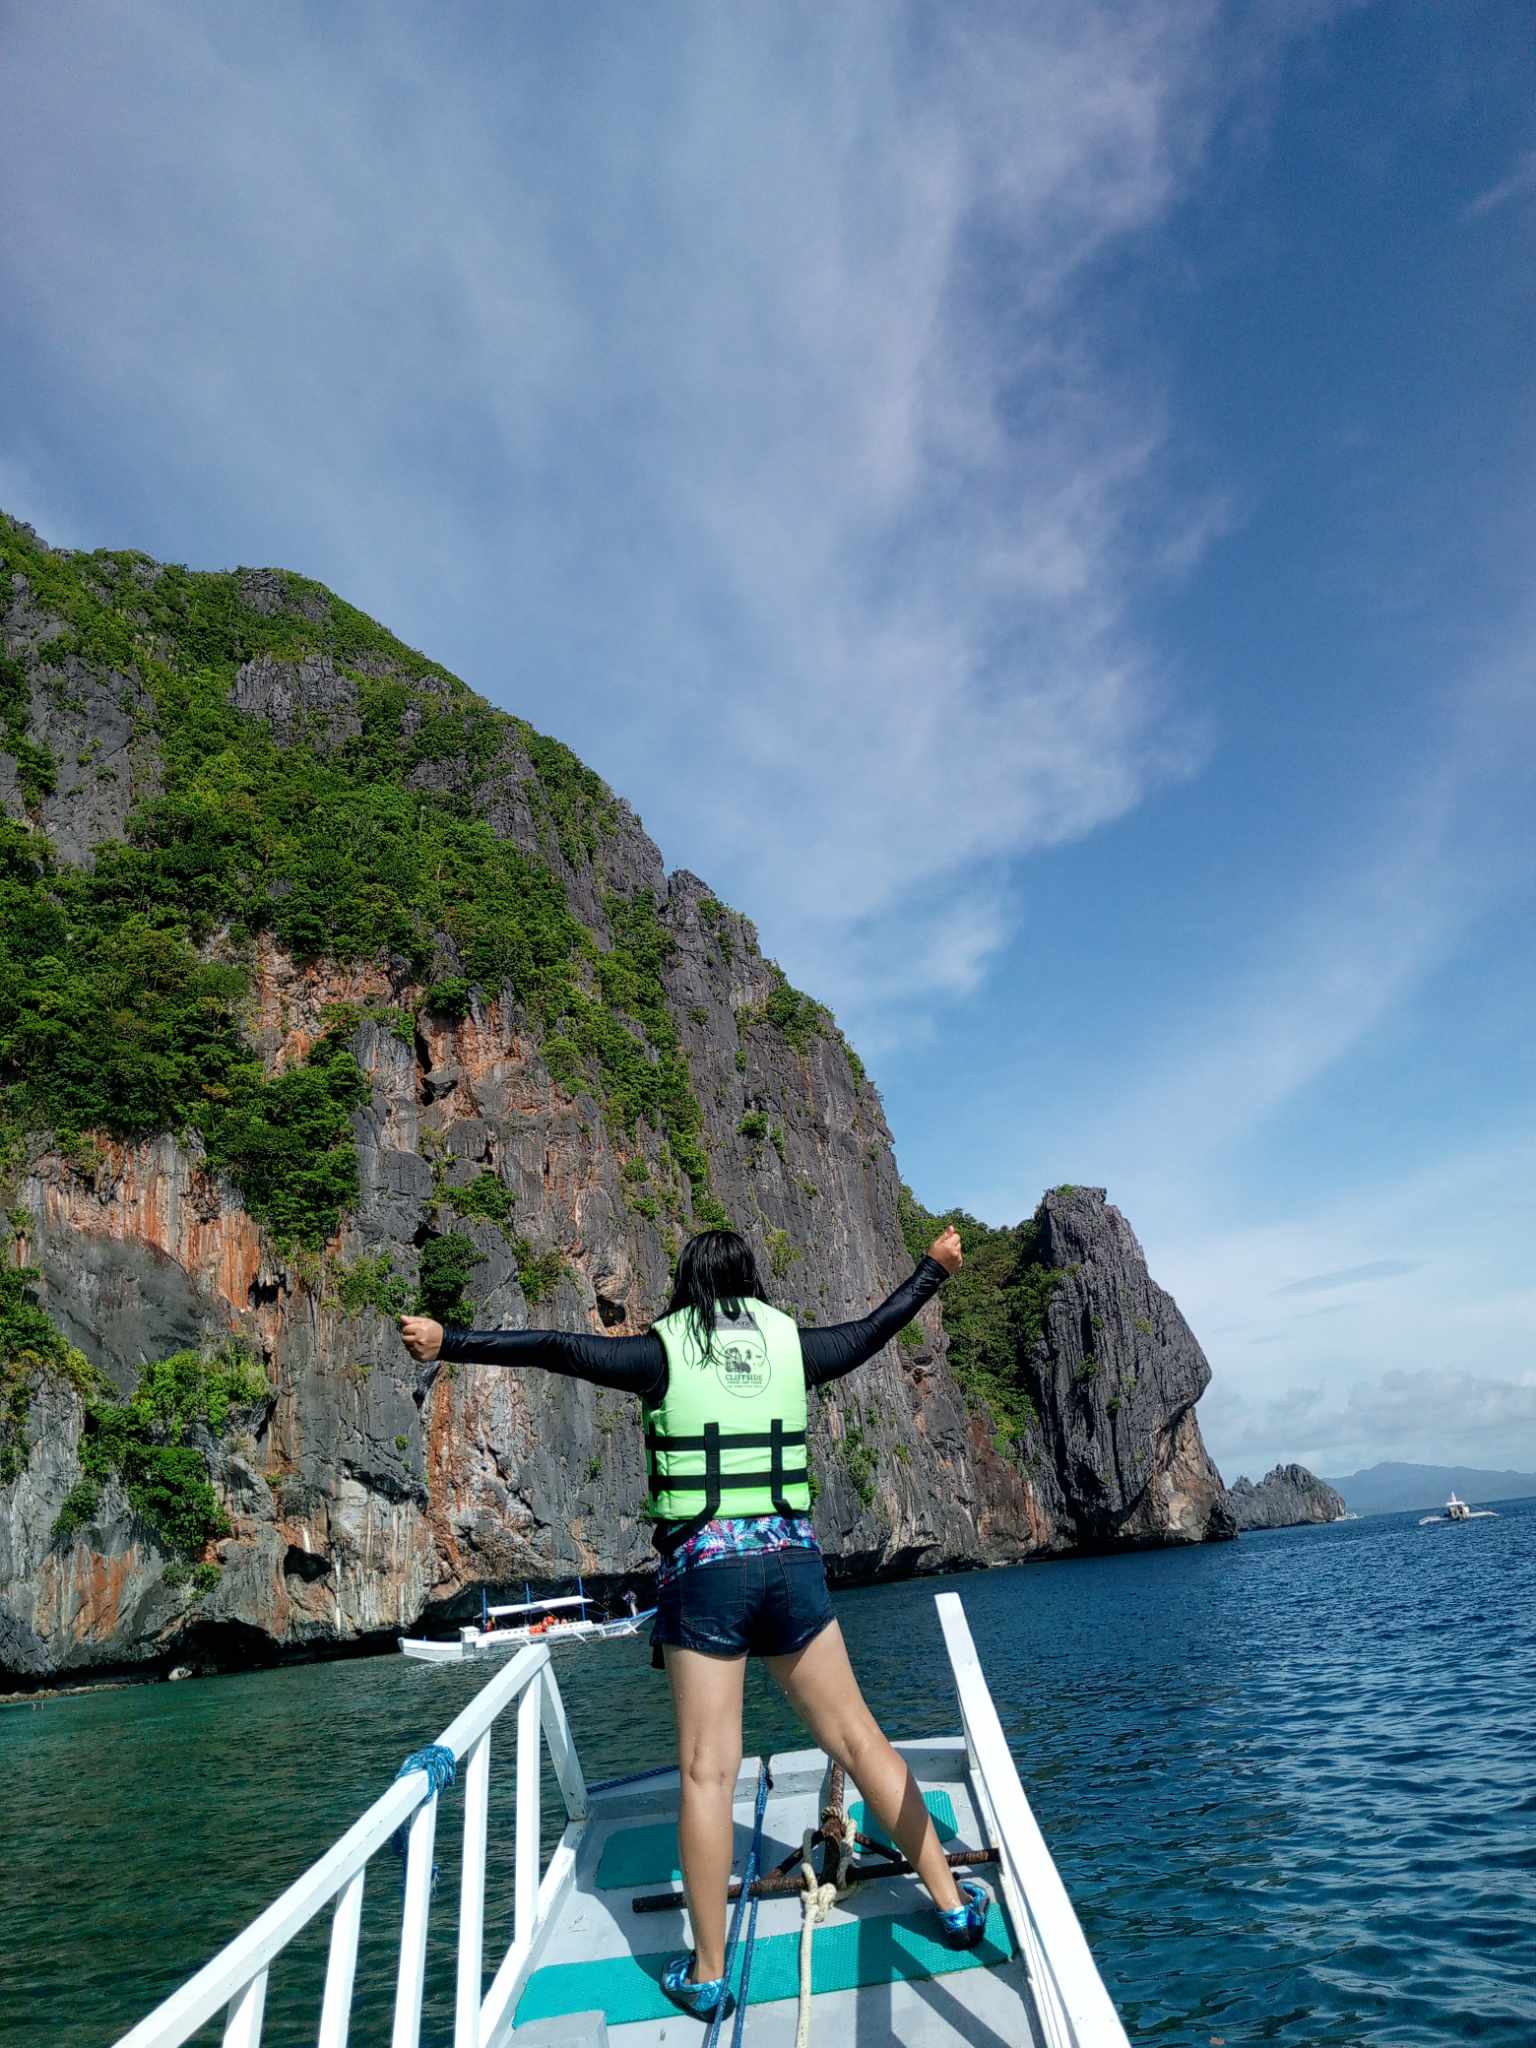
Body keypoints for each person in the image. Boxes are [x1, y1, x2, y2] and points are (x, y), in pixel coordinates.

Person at [399, 1223, 987, 2022]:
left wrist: (448, 1341)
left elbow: (557, 1348)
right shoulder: (794, 1347)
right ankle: (953, 1906)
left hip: (707, 1576)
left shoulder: (661, 1353)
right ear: (750, 1285)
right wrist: (934, 1269)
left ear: (687, 1286)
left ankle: (708, 1973)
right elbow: (878, 1328)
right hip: (791, 1564)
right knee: (859, 1741)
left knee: (711, 1773)